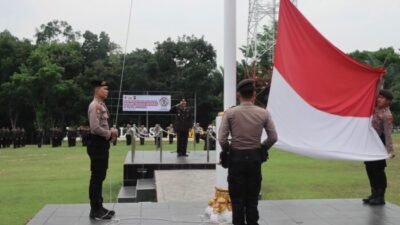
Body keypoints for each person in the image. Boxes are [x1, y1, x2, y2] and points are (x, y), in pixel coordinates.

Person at [219, 79, 278, 225]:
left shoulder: (230, 113)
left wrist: (228, 150)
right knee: (252, 200)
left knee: (237, 200)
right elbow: (273, 137)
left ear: (238, 94)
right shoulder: (263, 113)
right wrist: (261, 148)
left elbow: (221, 139)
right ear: (254, 94)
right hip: (254, 159)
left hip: (236, 159)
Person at [87, 80, 118, 220]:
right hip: (97, 144)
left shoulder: (102, 105)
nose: (107, 91)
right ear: (97, 89)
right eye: (104, 89)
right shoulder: (95, 106)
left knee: (101, 176)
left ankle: (99, 206)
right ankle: (95, 209)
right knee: (97, 177)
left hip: (102, 144)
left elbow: (103, 125)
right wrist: (109, 134)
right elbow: (95, 128)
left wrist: (110, 132)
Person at [363, 90, 396, 206]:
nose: (378, 99)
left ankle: (380, 197)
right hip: (369, 143)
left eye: (382, 98)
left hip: (379, 144)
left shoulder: (387, 115)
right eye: (379, 97)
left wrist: (390, 150)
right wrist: (380, 76)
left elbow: (387, 134)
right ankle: (373, 194)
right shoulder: (375, 108)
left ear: (388, 101)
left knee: (378, 170)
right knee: (369, 168)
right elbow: (376, 87)